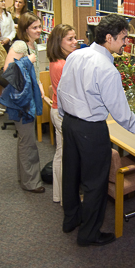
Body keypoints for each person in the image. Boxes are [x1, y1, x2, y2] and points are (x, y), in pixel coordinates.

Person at [57, 13, 135, 247]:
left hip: (70, 125)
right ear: (109, 37)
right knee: (96, 183)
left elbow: (61, 92)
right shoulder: (107, 69)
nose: (126, 43)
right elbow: (124, 117)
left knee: (71, 175)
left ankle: (71, 220)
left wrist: (67, 118)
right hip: (91, 130)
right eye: (124, 38)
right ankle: (88, 234)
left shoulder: (76, 55)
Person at [1, 13, 46, 193]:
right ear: (25, 29)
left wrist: (40, 86)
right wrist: (27, 60)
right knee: (28, 141)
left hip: (28, 98)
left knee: (25, 140)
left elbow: (32, 72)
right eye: (34, 27)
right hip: (22, 102)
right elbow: (7, 71)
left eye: (40, 26)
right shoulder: (20, 45)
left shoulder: (31, 45)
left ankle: (26, 178)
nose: (39, 30)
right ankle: (31, 182)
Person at [47, 24, 78, 204]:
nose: (75, 42)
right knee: (68, 157)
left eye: (75, 38)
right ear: (60, 42)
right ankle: (67, 197)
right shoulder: (64, 65)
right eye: (70, 39)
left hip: (55, 109)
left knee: (60, 153)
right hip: (64, 114)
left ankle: (59, 195)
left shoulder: (55, 61)